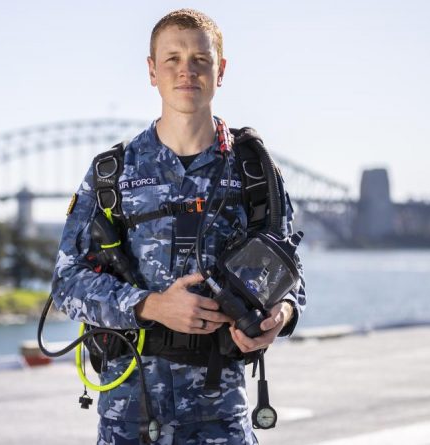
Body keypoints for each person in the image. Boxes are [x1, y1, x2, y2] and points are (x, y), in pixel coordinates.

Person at [50, 8, 306, 444]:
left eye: (200, 60)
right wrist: (151, 305)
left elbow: (290, 277)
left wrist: (280, 315)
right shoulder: (113, 172)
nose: (187, 71)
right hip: (129, 414)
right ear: (152, 71)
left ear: (220, 70)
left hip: (220, 415)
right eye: (172, 59)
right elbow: (66, 284)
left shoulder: (254, 171)